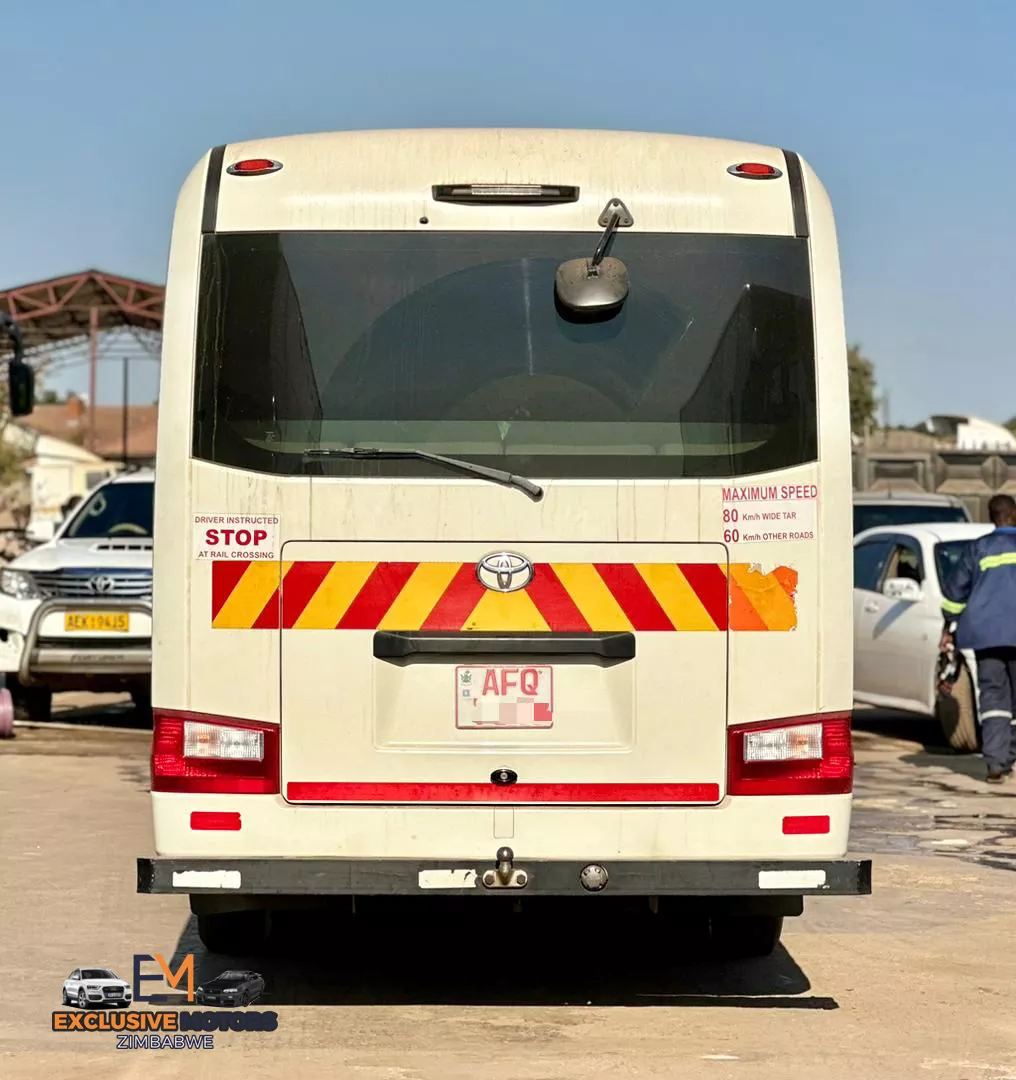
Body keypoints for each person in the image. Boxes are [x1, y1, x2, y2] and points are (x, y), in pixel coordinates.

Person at [941, 493, 1016, 783]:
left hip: (986, 636)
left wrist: (948, 626)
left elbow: (954, 595)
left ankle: (996, 763)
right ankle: (1008, 756)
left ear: (991, 517)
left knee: (994, 699)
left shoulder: (979, 549)